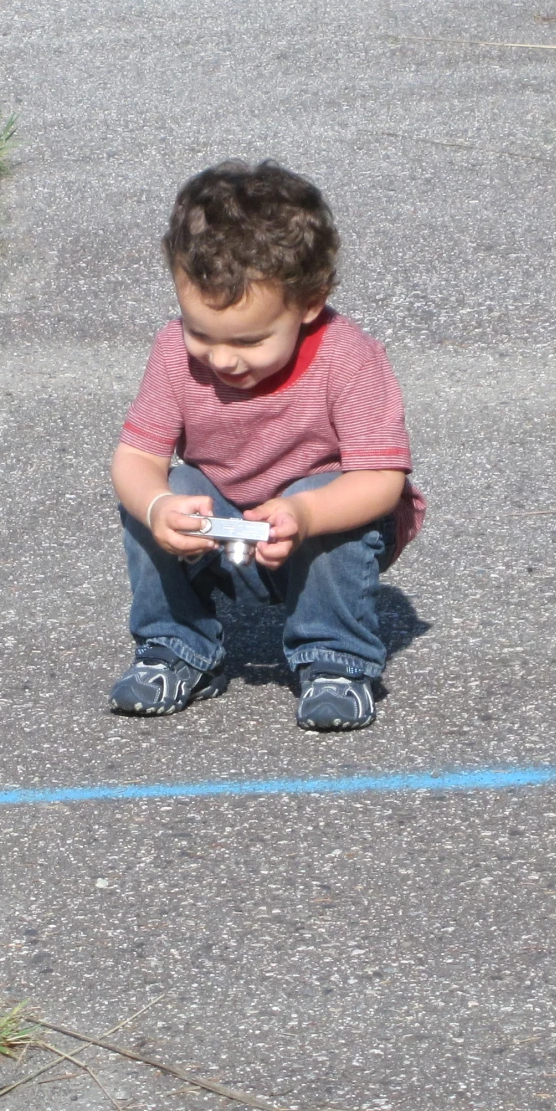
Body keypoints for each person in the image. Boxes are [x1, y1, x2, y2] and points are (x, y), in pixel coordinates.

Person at [108, 159, 423, 732]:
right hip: (225, 519)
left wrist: (305, 513)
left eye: (250, 341)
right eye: (200, 331)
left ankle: (336, 660)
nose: (223, 359)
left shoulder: (347, 356)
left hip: (319, 518)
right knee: (160, 493)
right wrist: (157, 508)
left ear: (309, 302)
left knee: (329, 497)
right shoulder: (172, 353)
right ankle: (175, 648)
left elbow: (381, 479)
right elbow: (136, 458)